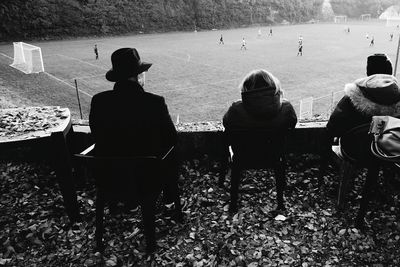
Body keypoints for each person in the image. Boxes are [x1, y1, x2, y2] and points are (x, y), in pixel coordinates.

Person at [89, 48, 183, 245]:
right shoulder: (154, 102)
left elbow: (97, 134)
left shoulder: (99, 101)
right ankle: (169, 198)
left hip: (108, 176)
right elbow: (172, 139)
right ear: (138, 75)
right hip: (146, 178)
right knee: (172, 154)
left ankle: (122, 203)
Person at [223, 70, 297, 211]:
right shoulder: (286, 108)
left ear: (246, 88)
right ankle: (280, 202)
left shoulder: (236, 109)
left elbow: (227, 125)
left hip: (243, 156)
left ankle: (233, 203)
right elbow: (291, 125)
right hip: (274, 155)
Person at [327, 54, 399, 143]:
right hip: (389, 153)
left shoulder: (351, 98)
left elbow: (333, 127)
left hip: (354, 153)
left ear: (368, 72)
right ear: (390, 72)